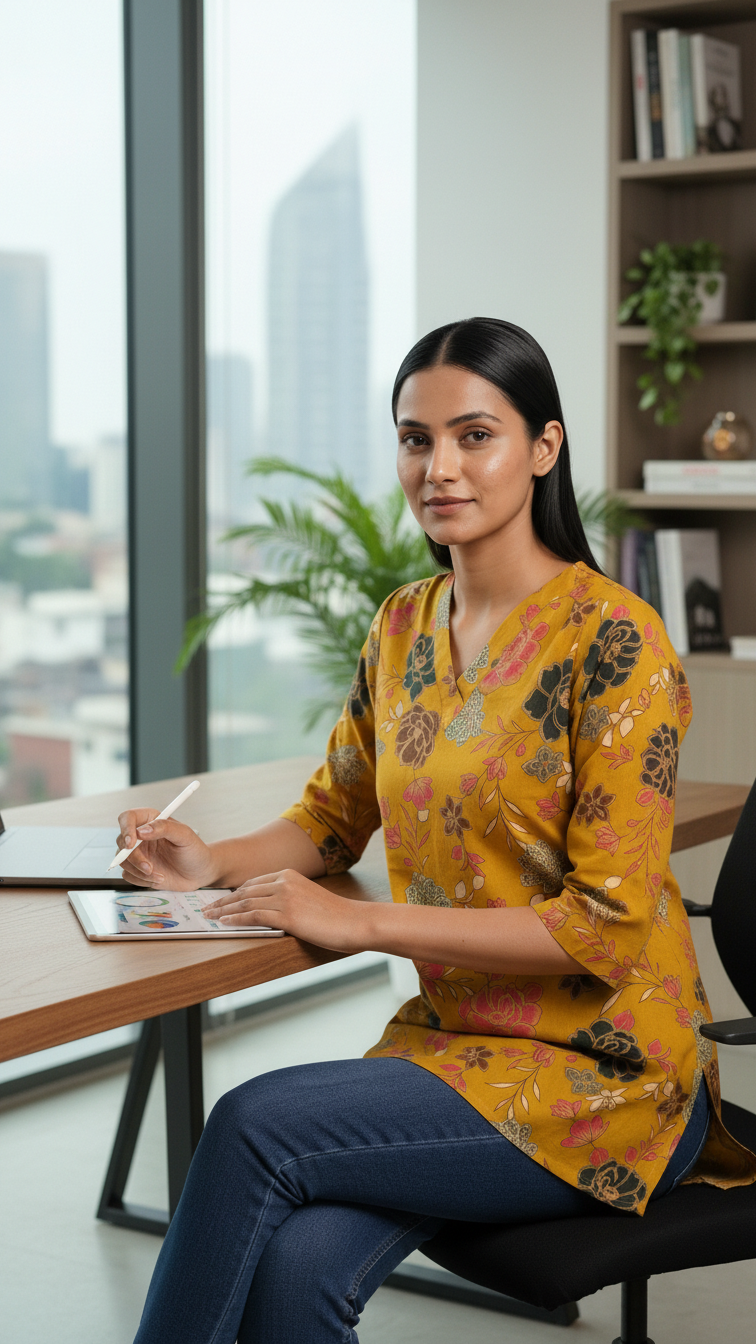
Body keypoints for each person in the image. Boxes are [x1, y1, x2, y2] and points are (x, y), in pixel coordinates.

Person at [122, 319, 754, 1344]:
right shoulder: (402, 624)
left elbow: (600, 926)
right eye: (416, 440)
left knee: (250, 1125)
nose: (439, 468)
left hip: (610, 1077)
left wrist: (363, 925)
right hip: (454, 1052)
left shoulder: (618, 643)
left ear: (543, 448)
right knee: (296, 1269)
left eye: (475, 436)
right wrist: (211, 862)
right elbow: (334, 816)